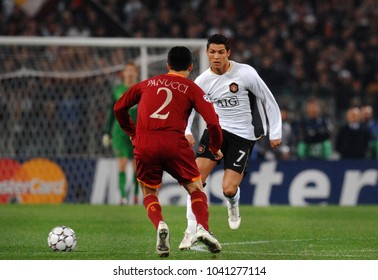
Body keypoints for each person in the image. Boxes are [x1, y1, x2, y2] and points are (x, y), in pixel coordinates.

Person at [114, 46, 224, 258]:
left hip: (145, 144)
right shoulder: (192, 88)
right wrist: (215, 147)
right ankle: (201, 227)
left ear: (167, 66)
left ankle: (160, 226)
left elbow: (119, 108)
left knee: (149, 192)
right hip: (175, 144)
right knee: (195, 188)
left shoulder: (147, 84)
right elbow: (212, 122)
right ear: (191, 67)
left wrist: (133, 133)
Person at [180, 34, 282, 249]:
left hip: (243, 135)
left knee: (228, 188)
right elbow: (188, 110)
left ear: (228, 53)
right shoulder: (202, 81)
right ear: (207, 53)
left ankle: (233, 203)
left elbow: (268, 100)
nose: (216, 57)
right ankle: (190, 231)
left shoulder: (245, 74)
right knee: (195, 179)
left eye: (220, 52)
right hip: (216, 131)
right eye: (212, 52)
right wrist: (187, 130)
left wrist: (275, 132)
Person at [102, 62, 140, 205]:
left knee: (137, 167)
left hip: (137, 133)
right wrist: (106, 132)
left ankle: (136, 196)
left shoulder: (141, 90)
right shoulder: (117, 90)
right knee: (122, 164)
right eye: (127, 70)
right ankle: (123, 197)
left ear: (136, 73)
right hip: (120, 133)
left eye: (132, 70)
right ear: (123, 73)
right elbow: (111, 113)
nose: (130, 73)